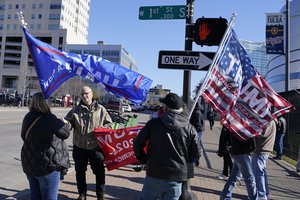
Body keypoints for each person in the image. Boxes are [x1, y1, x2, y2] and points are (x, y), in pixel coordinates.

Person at [133, 92, 202, 200]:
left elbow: (137, 143)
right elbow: (197, 152)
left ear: (166, 107)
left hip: (154, 173)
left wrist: (143, 159)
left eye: (163, 105)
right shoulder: (189, 128)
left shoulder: (154, 123)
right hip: (176, 177)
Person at [63, 86, 113, 200]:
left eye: (87, 93)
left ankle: (100, 195)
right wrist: (65, 124)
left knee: (99, 172)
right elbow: (68, 124)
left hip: (96, 148)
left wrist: (103, 128)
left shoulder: (101, 109)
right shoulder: (75, 110)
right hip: (79, 147)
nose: (85, 96)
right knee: (80, 172)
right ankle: (82, 194)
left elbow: (109, 124)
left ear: (92, 94)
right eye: (82, 94)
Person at [21, 92, 71, 200]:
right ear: (46, 103)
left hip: (30, 164)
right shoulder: (50, 118)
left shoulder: (27, 117)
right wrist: (64, 123)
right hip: (47, 166)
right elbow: (65, 134)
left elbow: (23, 136)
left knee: (35, 196)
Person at [220, 130, 259, 200]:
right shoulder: (246, 126)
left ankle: (225, 196)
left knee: (234, 177)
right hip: (244, 153)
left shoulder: (236, 125)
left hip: (237, 152)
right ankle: (254, 198)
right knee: (250, 179)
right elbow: (252, 143)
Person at [252, 120, 276, 200]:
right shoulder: (270, 121)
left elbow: (263, 134)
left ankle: (262, 194)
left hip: (262, 149)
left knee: (258, 173)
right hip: (263, 149)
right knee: (262, 173)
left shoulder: (269, 121)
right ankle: (266, 193)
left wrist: (253, 131)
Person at [190, 102, 205, 166]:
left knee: (195, 145)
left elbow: (197, 123)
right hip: (198, 130)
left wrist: (193, 129)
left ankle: (196, 160)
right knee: (196, 144)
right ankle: (196, 159)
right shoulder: (198, 112)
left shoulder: (196, 113)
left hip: (197, 130)